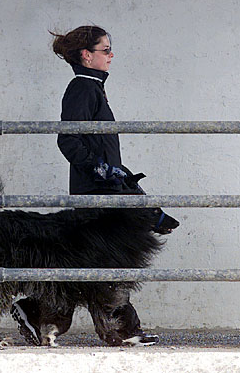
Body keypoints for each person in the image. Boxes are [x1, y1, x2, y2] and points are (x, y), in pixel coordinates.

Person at [10, 25, 158, 347]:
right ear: (86, 55)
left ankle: (41, 314)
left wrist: (119, 177)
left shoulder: (92, 87)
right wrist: (103, 171)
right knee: (106, 260)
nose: (111, 55)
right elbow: (69, 140)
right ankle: (119, 328)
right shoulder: (83, 89)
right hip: (95, 193)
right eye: (106, 50)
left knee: (95, 262)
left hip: (102, 189)